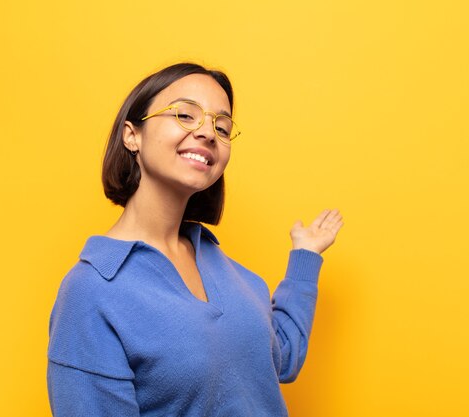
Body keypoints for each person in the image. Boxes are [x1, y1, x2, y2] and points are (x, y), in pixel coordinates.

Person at [47, 62, 344, 416]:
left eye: (221, 126)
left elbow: (280, 358)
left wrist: (305, 258)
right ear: (132, 135)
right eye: (185, 115)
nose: (207, 132)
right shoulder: (92, 291)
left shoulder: (233, 273)